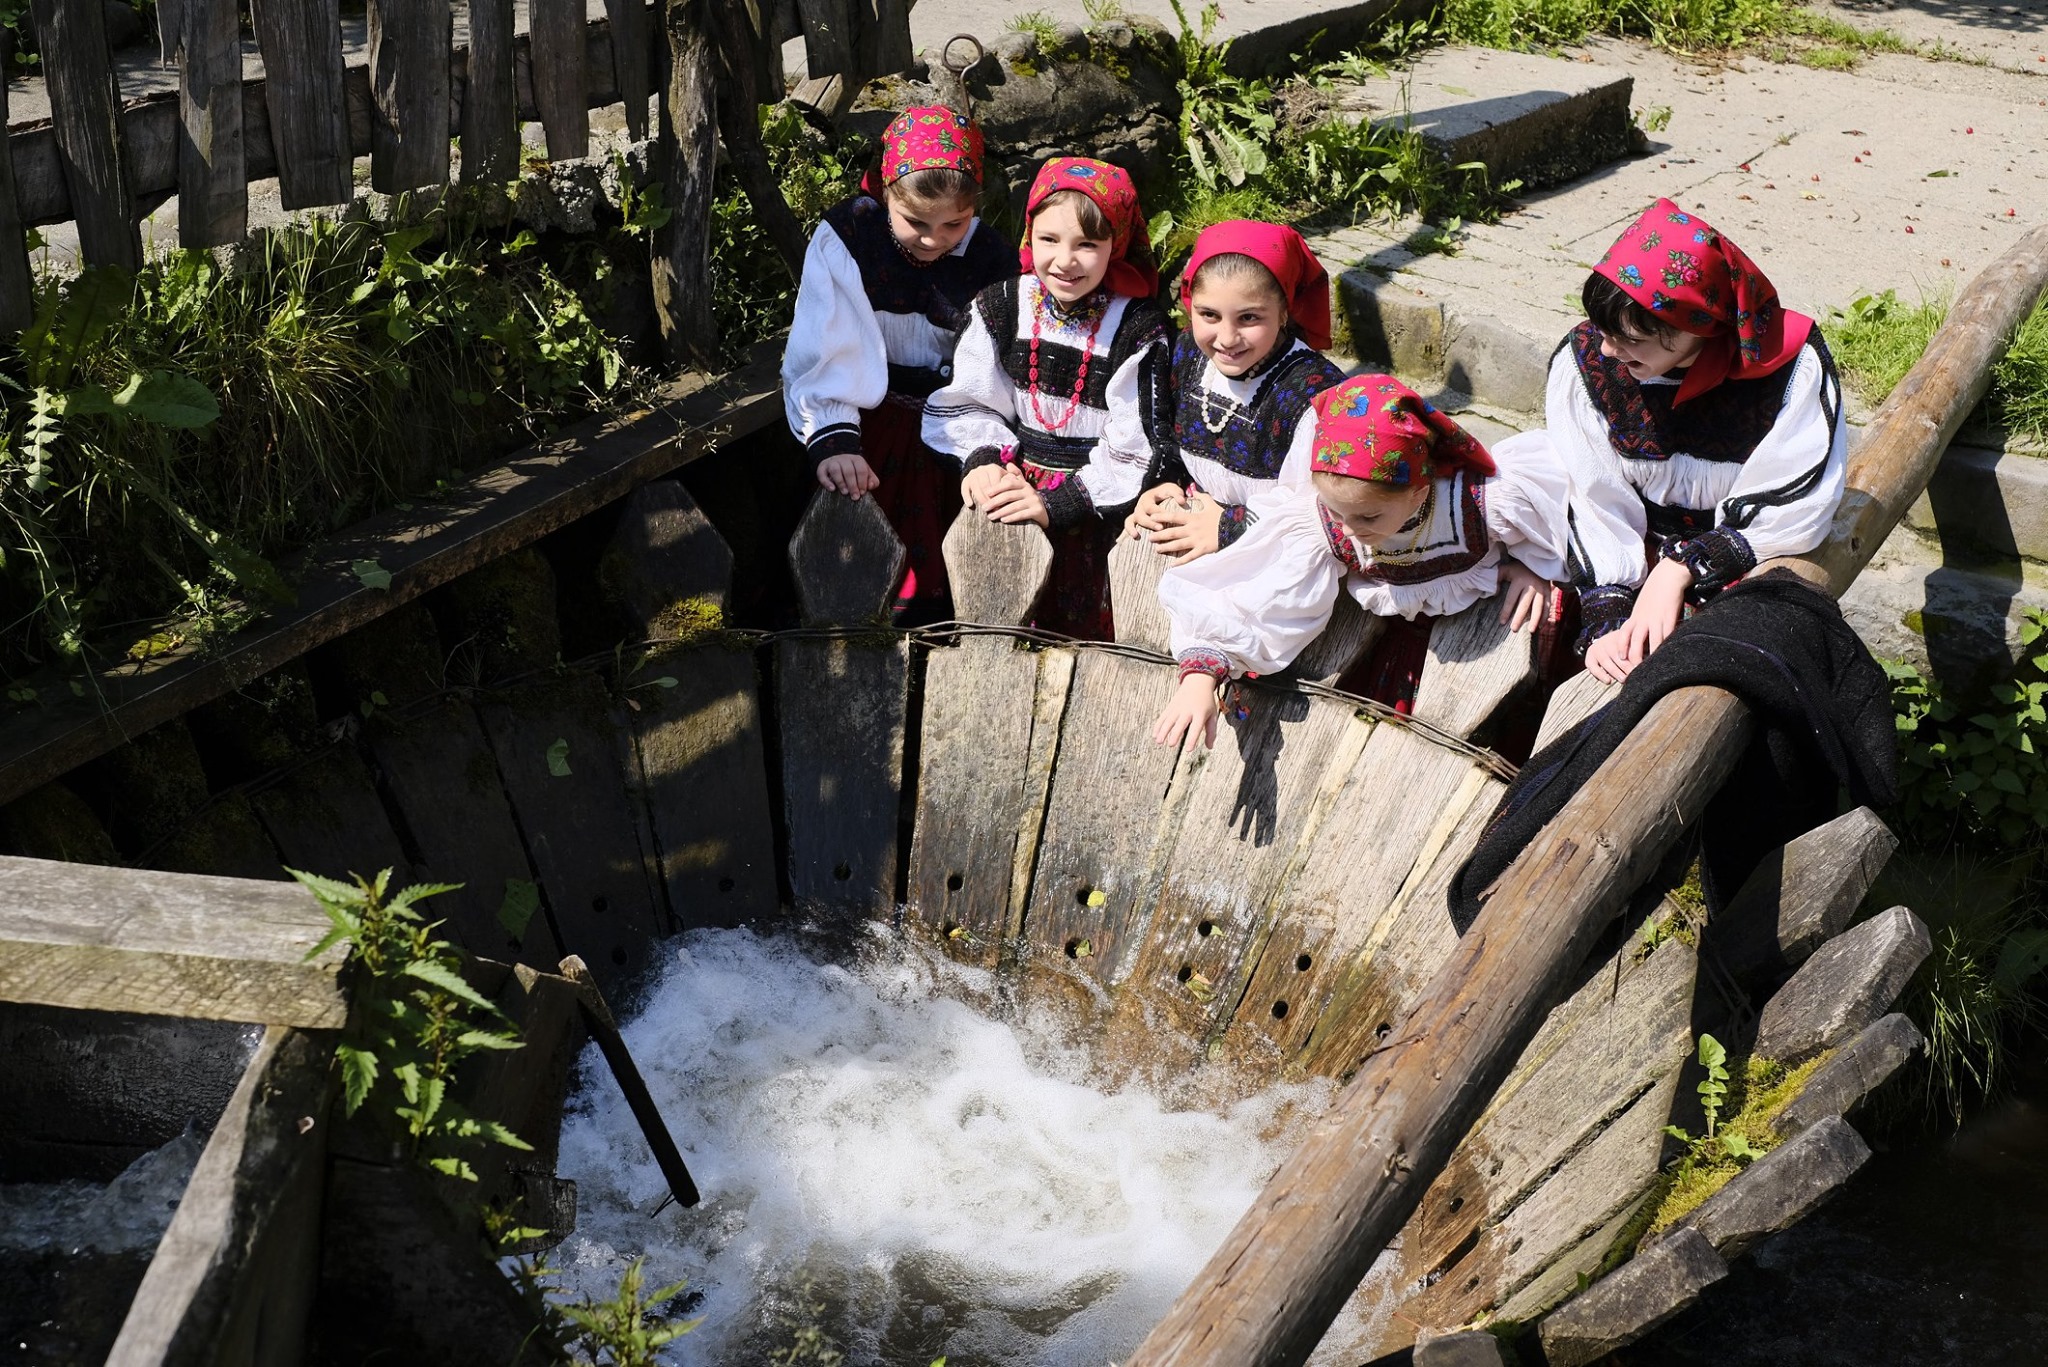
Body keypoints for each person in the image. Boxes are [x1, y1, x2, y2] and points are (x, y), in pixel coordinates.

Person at [1513, 196, 1848, 683]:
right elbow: (1593, 493)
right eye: (1604, 331)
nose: (1608, 349)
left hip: (1746, 561)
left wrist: (1680, 569)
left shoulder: (1790, 367)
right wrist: (1610, 613)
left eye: (1629, 338)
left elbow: (1794, 503)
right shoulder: (1586, 365)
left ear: (1698, 325)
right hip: (1628, 554)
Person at [1152, 374, 1572, 748]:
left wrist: (1533, 566)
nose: (1349, 529)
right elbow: (1256, 595)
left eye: (1368, 516)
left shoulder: (1481, 504)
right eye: (1336, 511)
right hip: (1383, 654)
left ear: (1419, 491)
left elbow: (1559, 517)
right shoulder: (1323, 528)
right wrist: (1201, 678)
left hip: (1481, 662)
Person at [781, 106, 1015, 625]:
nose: (934, 239)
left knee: (954, 566)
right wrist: (835, 438)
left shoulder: (991, 257)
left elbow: (999, 360)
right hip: (869, 420)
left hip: (952, 420)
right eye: (916, 222)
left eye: (954, 222)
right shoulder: (851, 236)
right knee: (855, 558)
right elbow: (824, 341)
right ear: (885, 191)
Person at [922, 157, 1171, 639]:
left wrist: (1056, 504)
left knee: (1078, 636)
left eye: (1087, 245)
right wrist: (983, 461)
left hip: (1094, 504)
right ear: (1028, 235)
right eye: (1049, 240)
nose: (1065, 260)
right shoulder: (1000, 306)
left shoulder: (1138, 328)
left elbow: (1137, 443)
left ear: (1115, 245)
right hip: (1011, 489)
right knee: (997, 619)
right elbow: (972, 399)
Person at [1129, 220, 1345, 565]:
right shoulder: (1187, 352)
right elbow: (1162, 430)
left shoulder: (1314, 395)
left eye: (1248, 318)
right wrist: (1162, 482)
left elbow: (1317, 510)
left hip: (1274, 561)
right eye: (1209, 315)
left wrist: (1229, 526)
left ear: (1284, 311)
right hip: (1190, 526)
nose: (1227, 339)